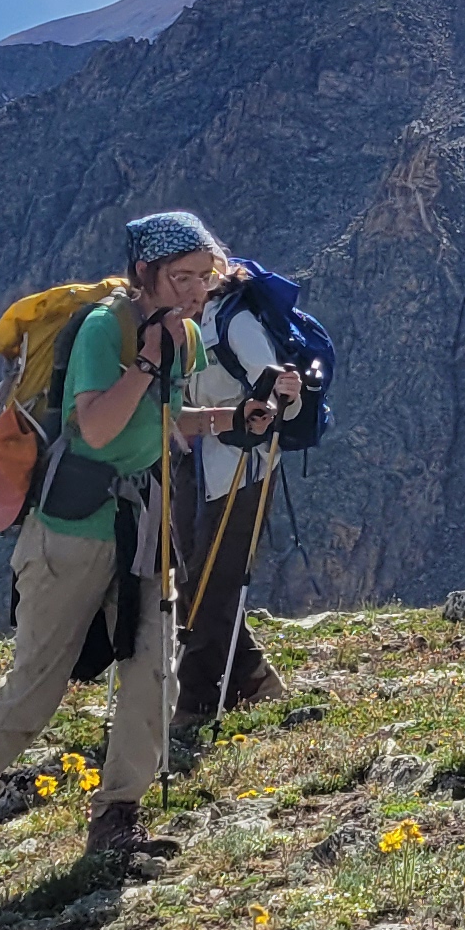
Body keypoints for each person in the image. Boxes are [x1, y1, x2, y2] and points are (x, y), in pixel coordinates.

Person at [0, 212, 278, 906]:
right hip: (71, 528)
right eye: (183, 277)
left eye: (205, 277)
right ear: (146, 274)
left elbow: (162, 426)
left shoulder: (187, 337)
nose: (198, 291)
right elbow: (99, 424)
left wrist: (236, 420)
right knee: (36, 687)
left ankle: (119, 818)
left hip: (138, 522)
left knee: (154, 668)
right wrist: (144, 358)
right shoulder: (103, 330)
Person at [174, 261, 298, 723]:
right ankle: (252, 680)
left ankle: (195, 702)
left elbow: (273, 383)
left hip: (243, 468)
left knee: (211, 583)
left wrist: (274, 399)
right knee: (193, 580)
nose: (182, 286)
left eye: (190, 277)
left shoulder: (235, 321)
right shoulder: (187, 324)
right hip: (196, 465)